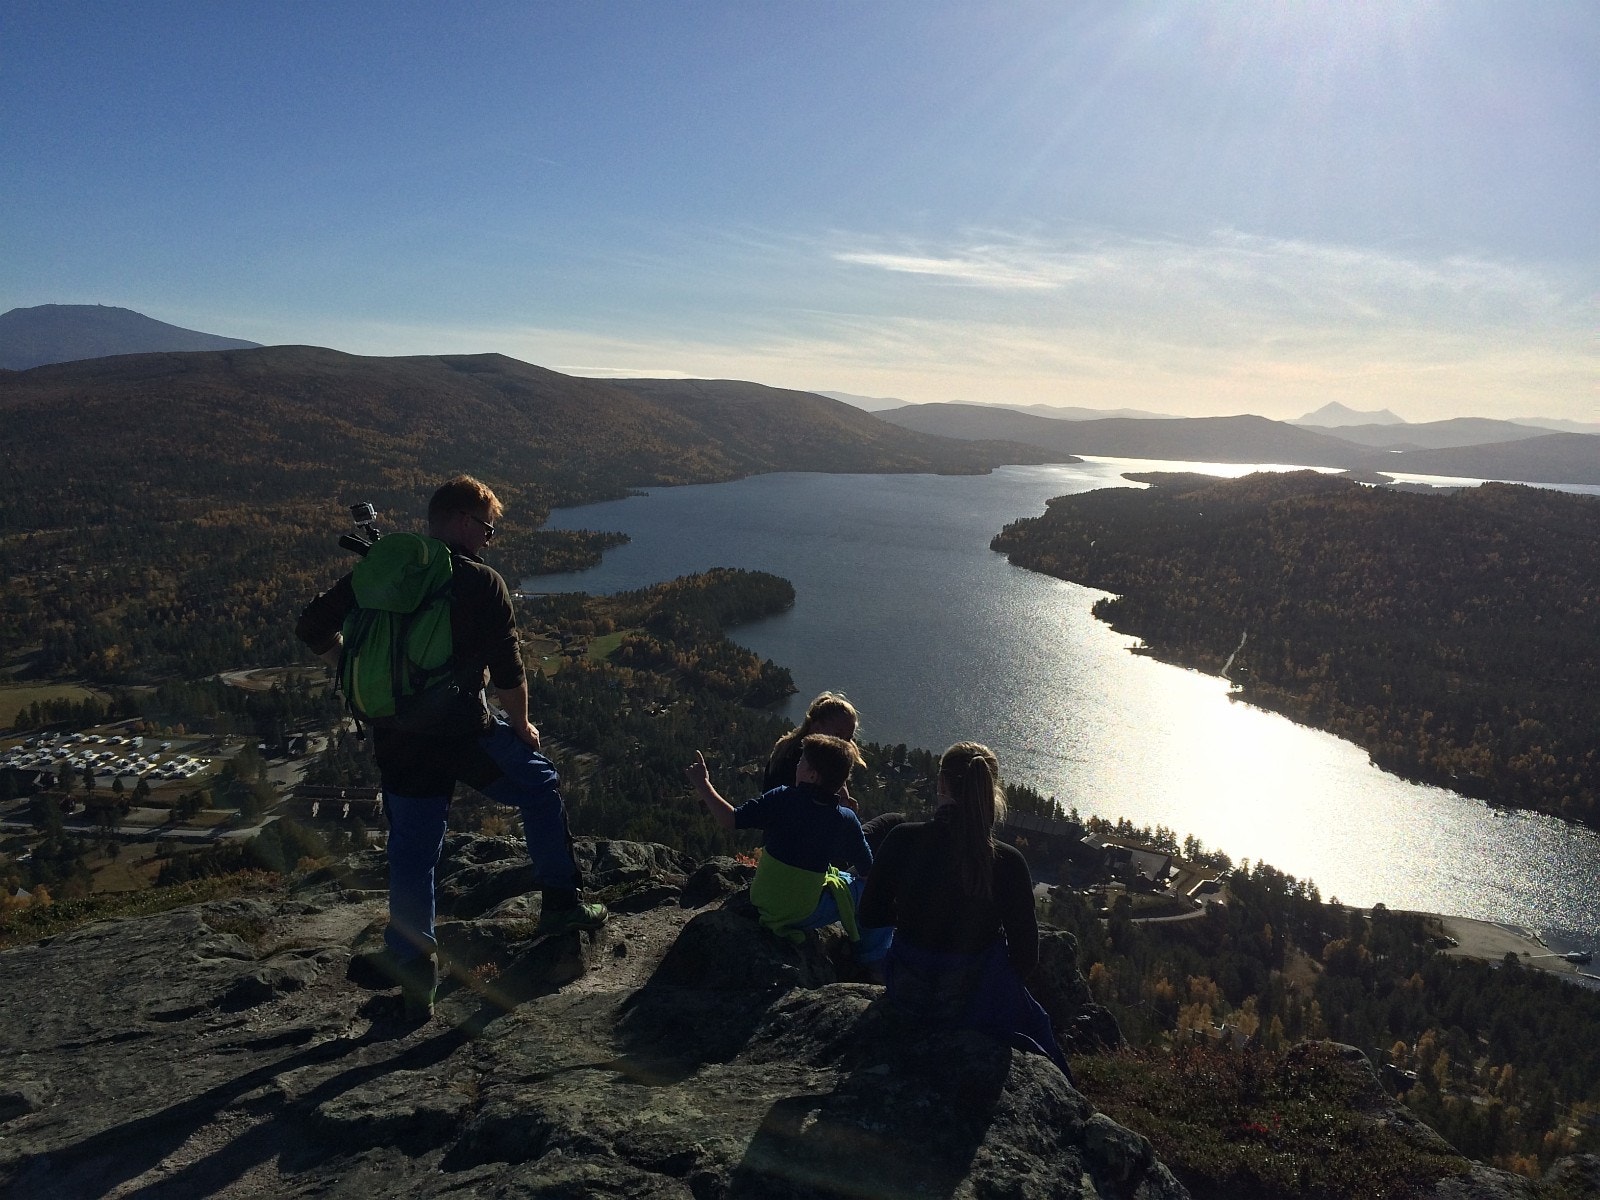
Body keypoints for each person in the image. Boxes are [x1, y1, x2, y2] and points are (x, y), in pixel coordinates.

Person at [296, 475, 605, 1019]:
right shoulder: (480, 583)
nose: (489, 539)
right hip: (464, 735)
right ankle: (560, 905)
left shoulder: (379, 574)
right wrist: (524, 724)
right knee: (540, 786)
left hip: (396, 739)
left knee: (413, 854)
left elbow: (312, 626)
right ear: (462, 521)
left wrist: (355, 674)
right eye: (487, 527)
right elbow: (509, 670)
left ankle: (415, 972)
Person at [858, 741, 1068, 1075]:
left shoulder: (902, 839)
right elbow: (1026, 957)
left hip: (908, 991)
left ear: (942, 785)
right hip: (976, 999)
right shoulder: (1009, 862)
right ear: (991, 789)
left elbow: (867, 916)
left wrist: (913, 917)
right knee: (1040, 1034)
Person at [687, 733, 891, 965]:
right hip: (802, 913)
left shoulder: (782, 798)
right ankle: (870, 959)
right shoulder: (844, 820)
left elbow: (730, 820)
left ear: (813, 775)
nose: (797, 765)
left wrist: (703, 783)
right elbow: (867, 871)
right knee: (877, 892)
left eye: (802, 762)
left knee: (840, 879)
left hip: (762, 899)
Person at [764, 692, 904, 854]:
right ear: (816, 728)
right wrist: (843, 809)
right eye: (838, 735)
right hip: (811, 851)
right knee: (895, 824)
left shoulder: (793, 751)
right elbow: (811, 819)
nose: (843, 743)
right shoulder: (806, 764)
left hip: (785, 847)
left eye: (848, 738)